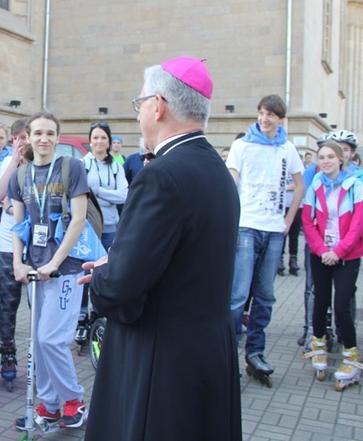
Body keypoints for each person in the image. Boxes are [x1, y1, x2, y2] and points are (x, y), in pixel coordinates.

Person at [80, 57, 241, 440]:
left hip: (162, 359)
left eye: (140, 105)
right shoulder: (217, 169)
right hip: (208, 349)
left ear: (158, 105)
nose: (138, 117)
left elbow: (121, 286)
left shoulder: (162, 176)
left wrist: (104, 274)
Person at [8, 112, 89, 430]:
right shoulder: (21, 175)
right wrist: (18, 261)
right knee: (39, 341)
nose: (44, 138)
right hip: (35, 270)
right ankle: (50, 405)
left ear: (58, 137)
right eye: (38, 133)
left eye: (51, 133)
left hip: (65, 269)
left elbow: (79, 219)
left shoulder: (72, 167)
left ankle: (74, 401)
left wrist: (55, 263)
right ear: (27, 136)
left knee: (51, 339)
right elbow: (18, 225)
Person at [226, 94, 305, 382]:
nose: (264, 119)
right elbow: (230, 184)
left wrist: (289, 218)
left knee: (266, 295)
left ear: (279, 119)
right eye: (261, 113)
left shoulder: (287, 148)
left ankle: (255, 351)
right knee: (237, 295)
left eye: (270, 115)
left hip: (274, 230)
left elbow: (299, 184)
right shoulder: (242, 145)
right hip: (246, 226)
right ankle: (228, 351)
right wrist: (232, 223)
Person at [301, 141, 363, 388]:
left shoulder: (356, 185)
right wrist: (321, 250)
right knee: (320, 301)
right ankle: (318, 343)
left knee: (341, 304)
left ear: (341, 159)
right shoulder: (315, 185)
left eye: (331, 156)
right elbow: (307, 222)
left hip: (347, 255)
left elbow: (359, 224)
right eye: (321, 157)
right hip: (320, 254)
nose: (326, 161)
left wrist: (338, 251)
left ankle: (351, 354)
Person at [77, 122, 128, 340]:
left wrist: (97, 192)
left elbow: (124, 195)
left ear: (109, 141)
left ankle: (99, 314)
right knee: (86, 272)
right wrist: (109, 194)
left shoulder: (116, 166)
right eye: (95, 137)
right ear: (90, 141)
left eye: (103, 138)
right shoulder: (82, 164)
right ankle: (81, 317)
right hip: (88, 227)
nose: (99, 142)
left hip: (110, 227)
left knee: (105, 273)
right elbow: (80, 193)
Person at [0, 118, 29, 386]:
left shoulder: (47, 165)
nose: (29, 142)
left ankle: (39, 357)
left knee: (37, 306)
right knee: (9, 303)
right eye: (23, 137)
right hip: (7, 244)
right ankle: (8, 354)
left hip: (38, 247)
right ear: (14, 140)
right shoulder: (8, 163)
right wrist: (15, 160)